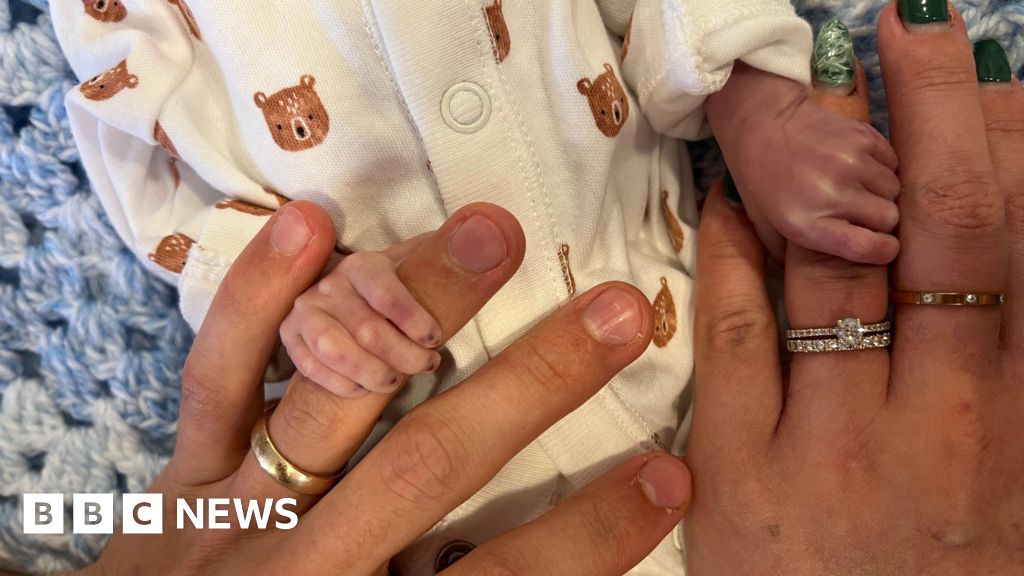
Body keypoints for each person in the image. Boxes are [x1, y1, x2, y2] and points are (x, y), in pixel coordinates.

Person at [25, 3, 1020, 573]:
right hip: (430, 509)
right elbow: (144, 154)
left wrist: (755, 103)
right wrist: (301, 295)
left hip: (715, 410)